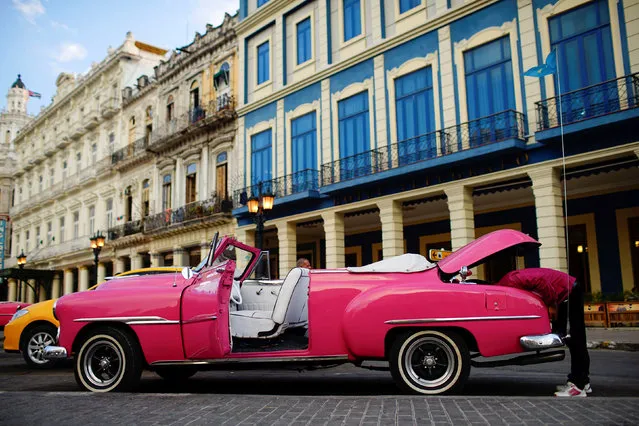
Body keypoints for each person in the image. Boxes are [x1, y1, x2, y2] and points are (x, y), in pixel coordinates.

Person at [496, 268, 591, 397]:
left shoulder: (511, 282)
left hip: (568, 292)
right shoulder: (510, 279)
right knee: (571, 336)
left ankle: (578, 386)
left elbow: (542, 284)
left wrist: (550, 304)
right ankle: (583, 381)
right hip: (566, 291)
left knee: (574, 338)